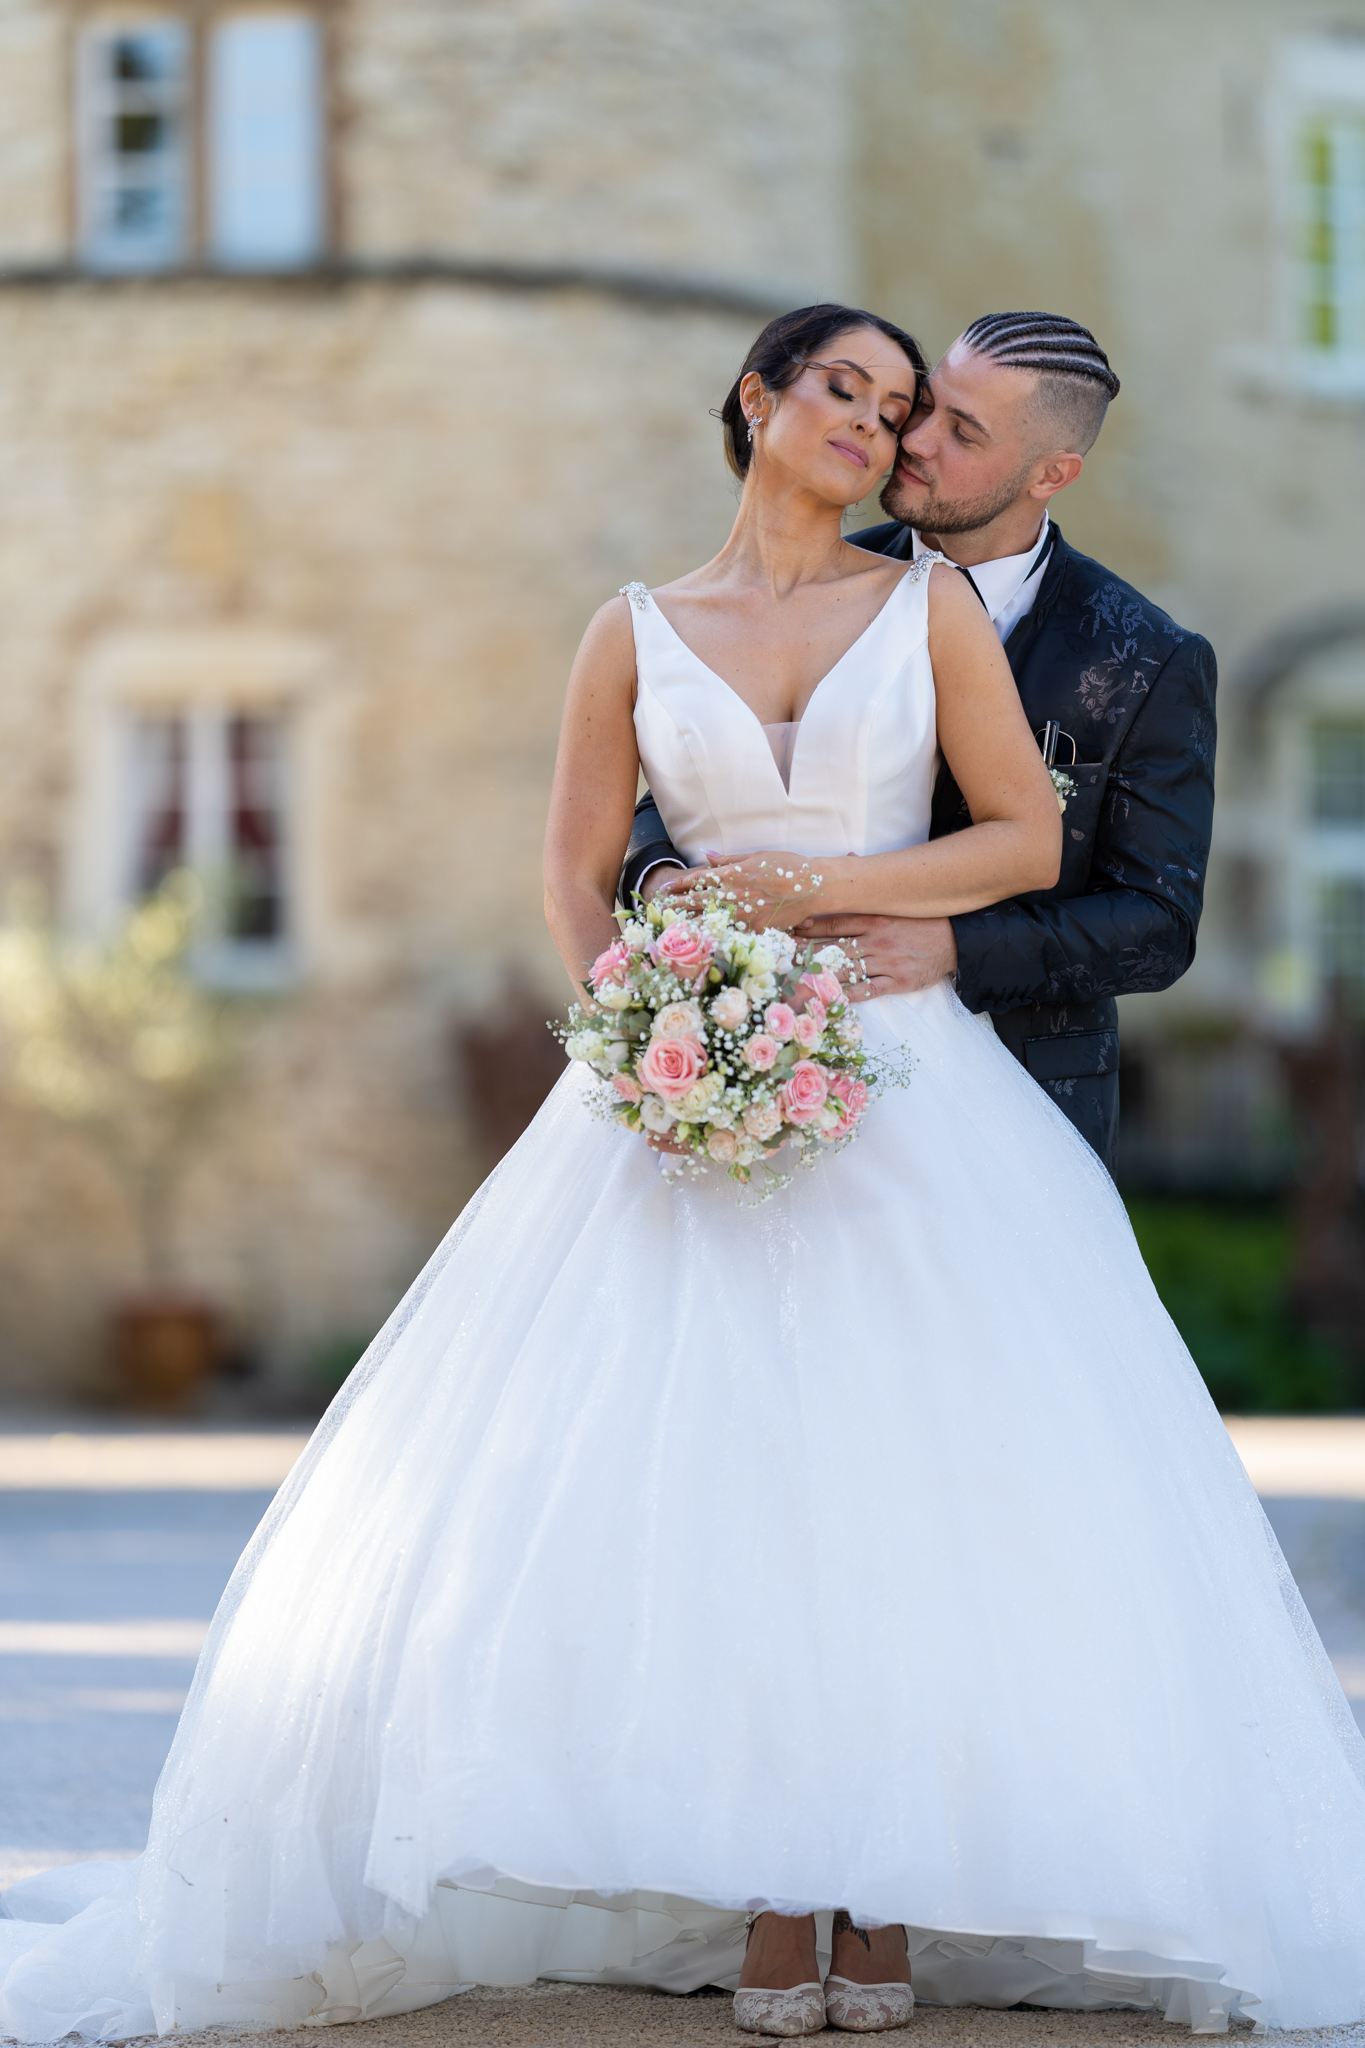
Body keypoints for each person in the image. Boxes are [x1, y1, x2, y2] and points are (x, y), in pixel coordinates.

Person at [3, 304, 1364, 2044]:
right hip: (678, 1079)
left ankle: (878, 1897)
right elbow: (580, 871)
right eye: (851, 394)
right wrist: (645, 1021)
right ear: (760, 402)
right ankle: (770, 1883)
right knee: (717, 1489)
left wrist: (811, 909)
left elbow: (1031, 841)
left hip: (916, 1086)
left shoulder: (934, 606)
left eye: (902, 409)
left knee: (905, 1485)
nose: (878, 430)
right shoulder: (632, 628)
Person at [623, 311, 1218, 1175]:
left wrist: (954, 946)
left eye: (962, 432)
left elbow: (1158, 925)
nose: (914, 440)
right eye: (924, 407)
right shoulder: (815, 578)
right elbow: (698, 774)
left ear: (1050, 474)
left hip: (1022, 1096)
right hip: (766, 1061)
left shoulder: (1144, 658)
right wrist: (662, 876)